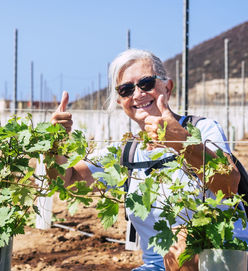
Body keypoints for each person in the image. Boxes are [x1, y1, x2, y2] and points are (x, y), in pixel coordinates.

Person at [50, 48, 245, 271]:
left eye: (146, 83)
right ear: (120, 101)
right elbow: (67, 180)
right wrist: (55, 143)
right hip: (155, 267)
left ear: (167, 87)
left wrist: (180, 141)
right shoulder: (127, 152)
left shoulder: (201, 129)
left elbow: (229, 183)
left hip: (220, 262)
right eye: (126, 89)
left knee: (183, 241)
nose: (138, 94)